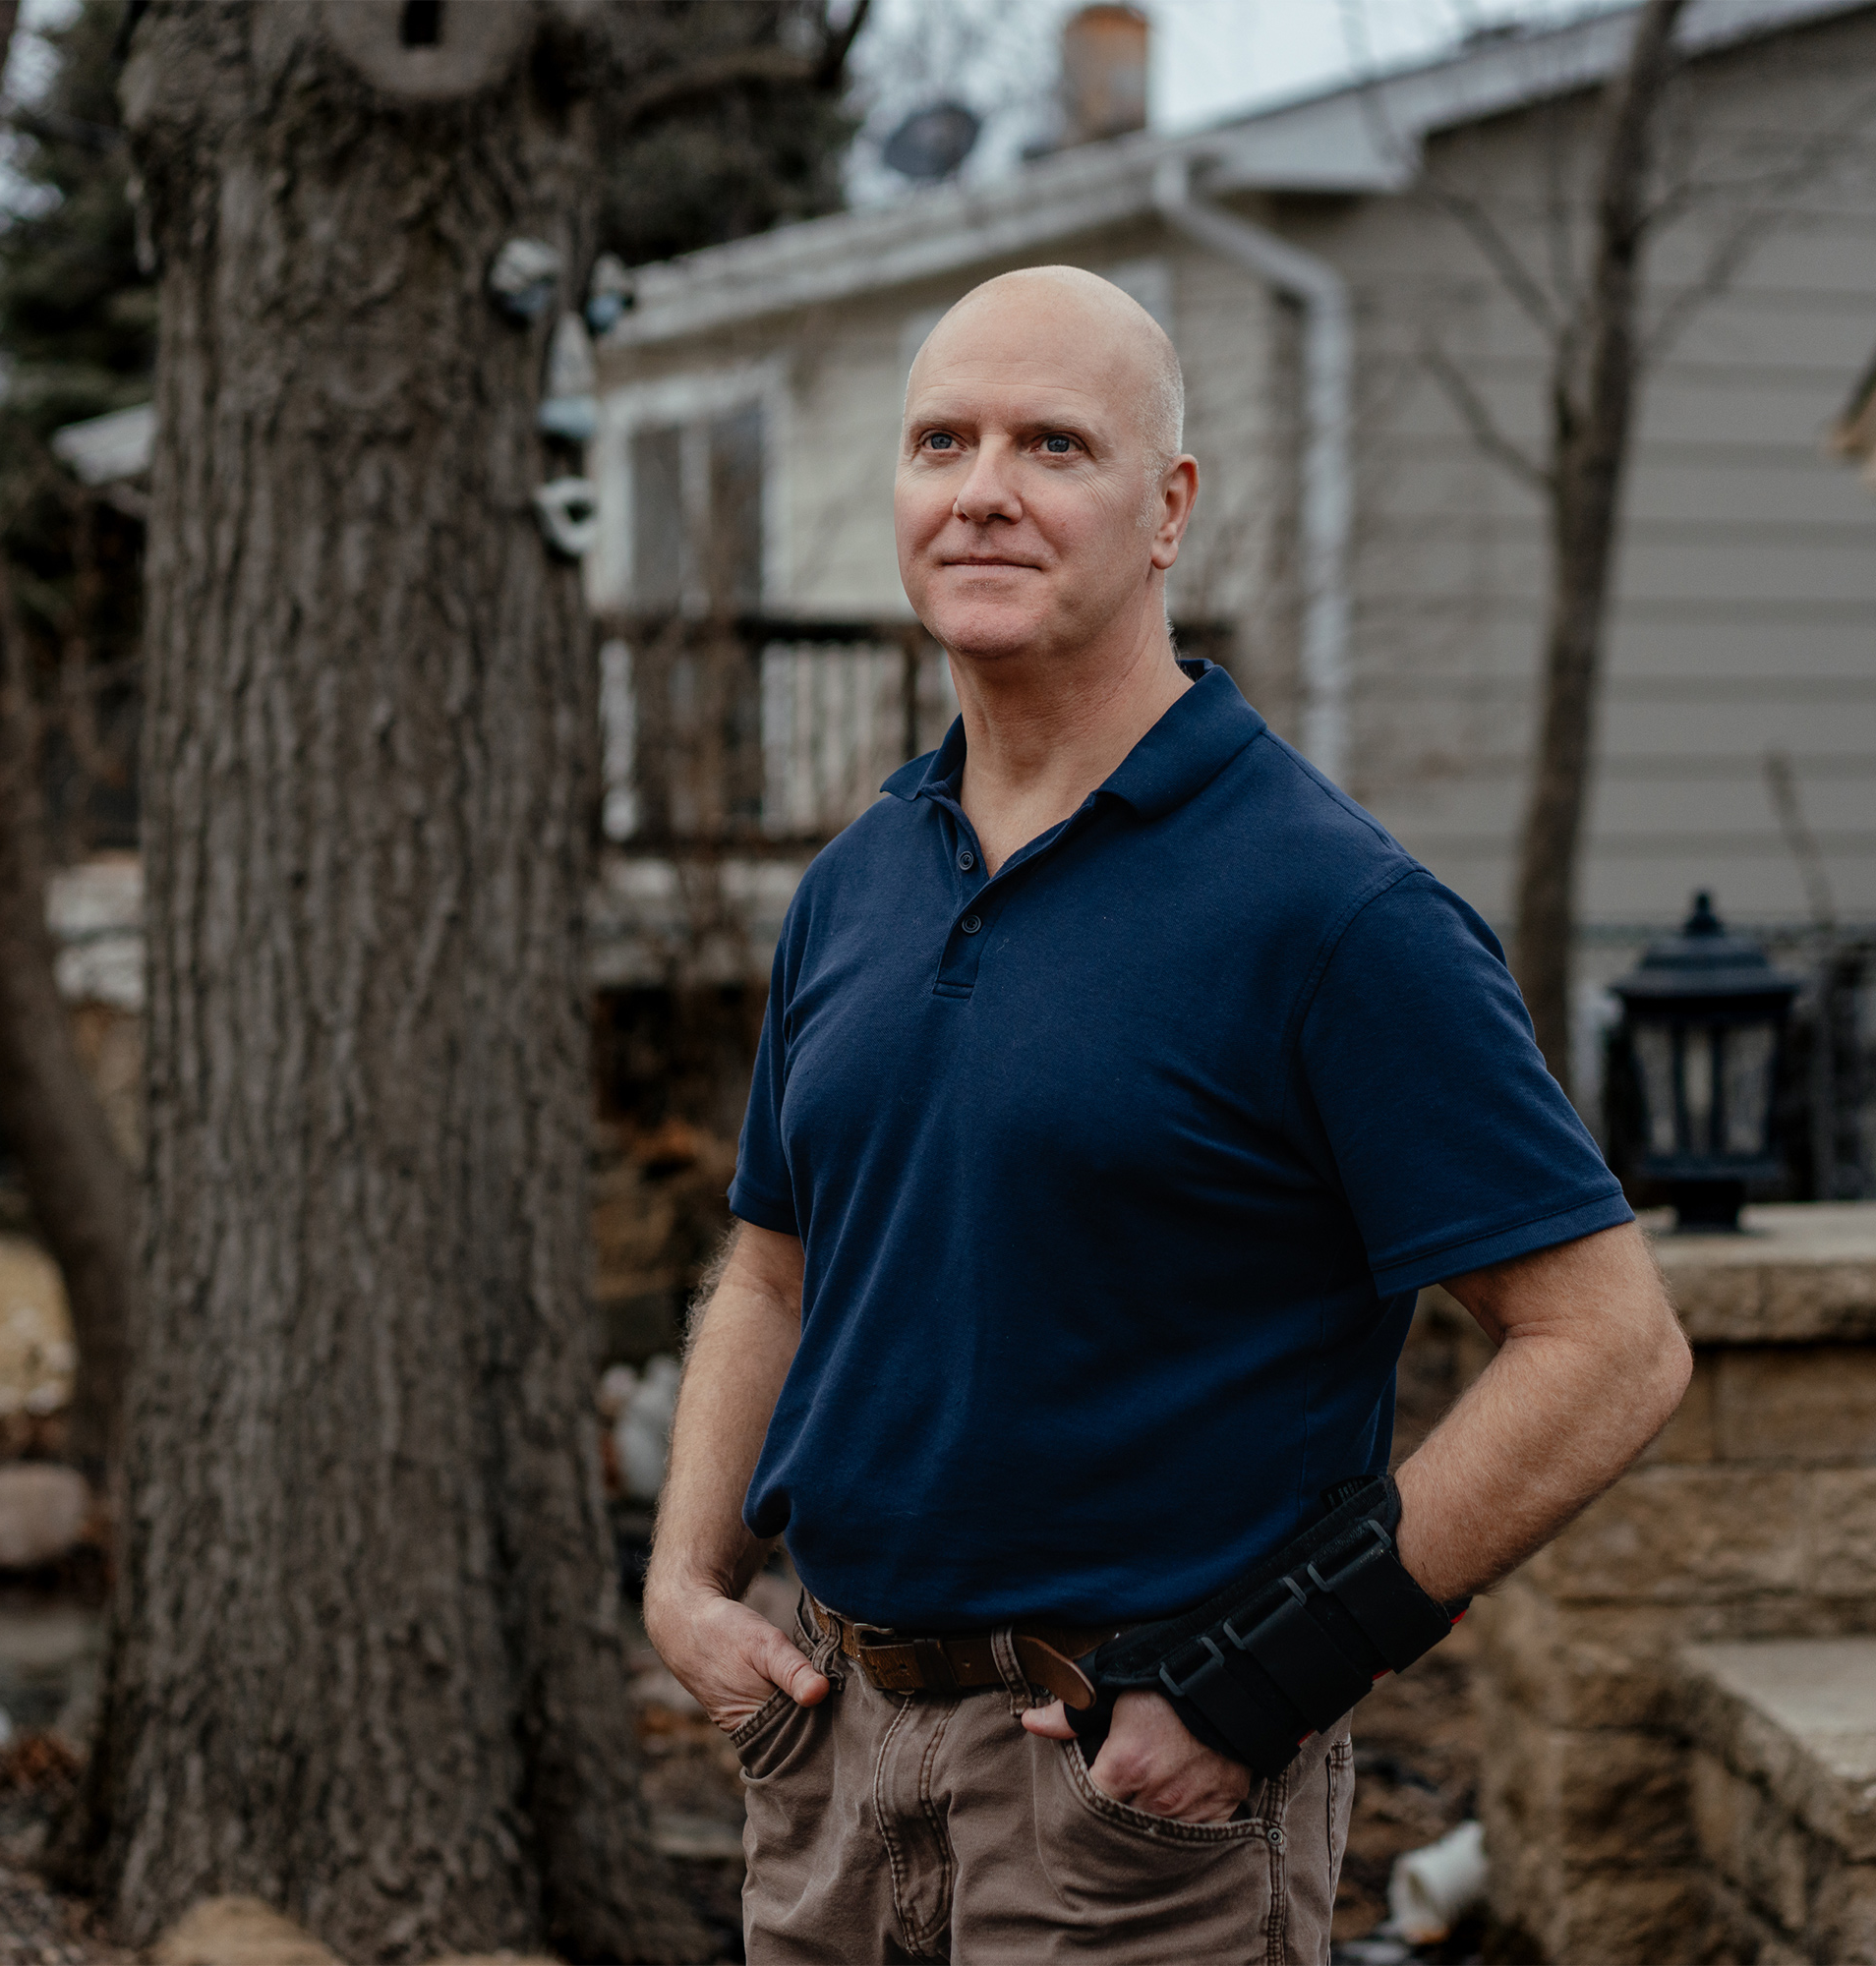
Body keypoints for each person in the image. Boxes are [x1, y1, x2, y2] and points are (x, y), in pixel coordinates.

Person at [644, 264, 1690, 1961]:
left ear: (1167, 510)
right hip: (825, 1767)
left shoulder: (1332, 913)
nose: (981, 488)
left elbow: (1610, 1347)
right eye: (940, 442)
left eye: (1052, 443)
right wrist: (685, 1581)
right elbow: (772, 1269)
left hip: (1123, 1813)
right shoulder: (855, 883)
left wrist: (1262, 1680)